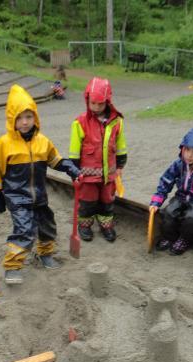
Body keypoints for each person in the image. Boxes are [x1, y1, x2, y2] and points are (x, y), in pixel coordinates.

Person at [0, 84, 80, 285]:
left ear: (35, 118)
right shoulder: (3, 144)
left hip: (39, 195)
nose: (24, 122)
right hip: (16, 197)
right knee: (24, 230)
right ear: (12, 119)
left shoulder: (43, 142)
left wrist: (72, 169)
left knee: (47, 225)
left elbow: (56, 160)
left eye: (29, 117)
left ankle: (44, 254)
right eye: (20, 118)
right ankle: (12, 266)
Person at [68, 77, 127, 242]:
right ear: (87, 100)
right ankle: (85, 225)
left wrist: (121, 164)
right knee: (87, 201)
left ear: (108, 101)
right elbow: (74, 151)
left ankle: (106, 224)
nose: (96, 107)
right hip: (87, 175)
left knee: (107, 200)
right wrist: (74, 171)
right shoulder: (79, 123)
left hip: (109, 174)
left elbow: (121, 145)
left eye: (100, 104)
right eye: (92, 103)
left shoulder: (117, 122)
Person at [149, 127, 193, 255]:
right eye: (187, 149)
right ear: (182, 148)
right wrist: (157, 200)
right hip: (181, 196)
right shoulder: (178, 164)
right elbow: (166, 181)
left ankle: (185, 239)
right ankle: (169, 237)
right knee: (168, 213)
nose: (189, 155)